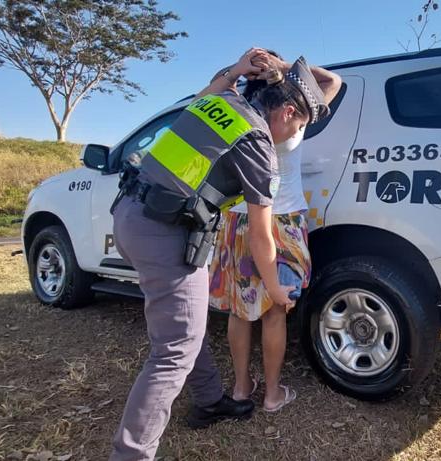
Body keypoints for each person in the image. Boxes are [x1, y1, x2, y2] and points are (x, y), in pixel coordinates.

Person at [108, 48, 331, 461]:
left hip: (129, 214)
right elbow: (263, 239)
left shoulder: (222, 100)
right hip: (164, 233)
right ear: (284, 112)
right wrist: (276, 292)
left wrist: (235, 69)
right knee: (174, 350)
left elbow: (202, 95)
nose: (294, 133)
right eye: (298, 124)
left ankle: (210, 399)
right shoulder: (259, 144)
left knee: (184, 322)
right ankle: (131, 454)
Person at [209, 52, 342, 412]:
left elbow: (206, 97)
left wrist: (236, 68)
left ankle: (240, 388)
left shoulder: (240, 114)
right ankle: (271, 394)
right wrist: (287, 68)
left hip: (238, 221)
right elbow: (334, 82)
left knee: (239, 311)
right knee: (274, 311)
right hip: (284, 222)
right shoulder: (294, 115)